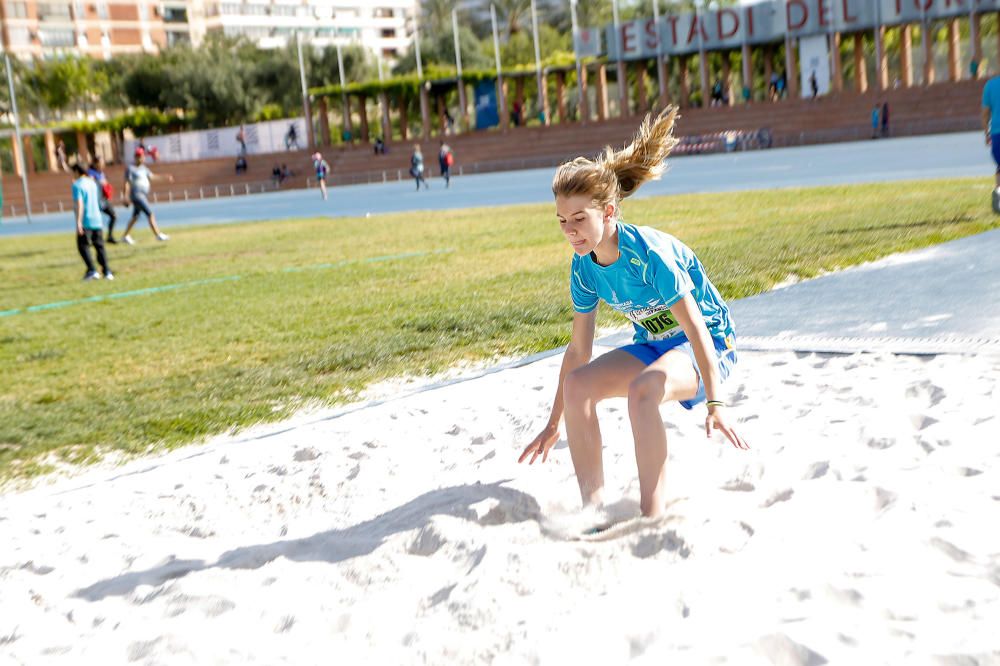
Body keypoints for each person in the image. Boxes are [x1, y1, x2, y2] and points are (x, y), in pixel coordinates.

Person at [517, 107, 749, 519]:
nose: (569, 230)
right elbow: (577, 351)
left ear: (607, 213)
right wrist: (554, 423)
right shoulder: (583, 265)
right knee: (577, 385)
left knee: (645, 390)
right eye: (561, 221)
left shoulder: (650, 255)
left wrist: (716, 402)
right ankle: (594, 511)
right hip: (655, 346)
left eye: (579, 219)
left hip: (709, 345)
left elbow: (695, 327)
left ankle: (651, 515)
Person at [120, 149, 172, 244]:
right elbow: (127, 183)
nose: (141, 158)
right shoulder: (131, 169)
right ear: (135, 157)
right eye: (139, 156)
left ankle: (125, 236)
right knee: (150, 213)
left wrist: (164, 177)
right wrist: (125, 196)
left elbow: (152, 177)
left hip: (143, 194)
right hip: (137, 195)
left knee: (135, 217)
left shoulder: (144, 169)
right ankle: (158, 234)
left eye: (142, 156)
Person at [72, 164, 113, 281]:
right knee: (100, 246)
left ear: (76, 171)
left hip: (86, 220)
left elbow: (79, 204)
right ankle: (107, 271)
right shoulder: (92, 183)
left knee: (82, 246)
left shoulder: (77, 185)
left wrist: (79, 222)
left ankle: (92, 270)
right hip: (97, 219)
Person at [87, 157, 118, 244]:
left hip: (103, 200)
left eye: (103, 163)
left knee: (114, 215)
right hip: (95, 201)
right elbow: (90, 181)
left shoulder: (101, 173)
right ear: (95, 164)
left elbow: (104, 184)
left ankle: (110, 236)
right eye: (100, 163)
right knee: (95, 221)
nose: (102, 165)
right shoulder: (91, 173)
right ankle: (92, 239)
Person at [981, 74, 1000, 212]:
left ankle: (998, 194)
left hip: (996, 133)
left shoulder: (990, 85)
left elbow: (985, 113)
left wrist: (986, 133)